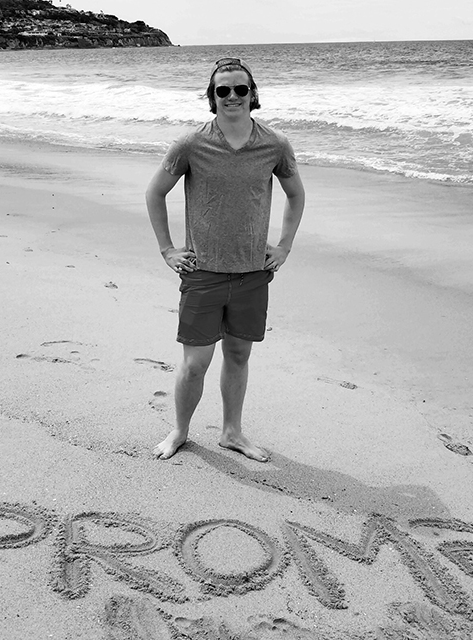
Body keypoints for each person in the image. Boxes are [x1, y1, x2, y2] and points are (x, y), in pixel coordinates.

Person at [145, 57, 306, 461]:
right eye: (223, 90)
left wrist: (284, 246)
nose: (232, 96)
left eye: (240, 89)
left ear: (253, 96)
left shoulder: (274, 144)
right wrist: (168, 249)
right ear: (212, 98)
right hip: (203, 271)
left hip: (253, 271)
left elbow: (296, 194)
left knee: (238, 355)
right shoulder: (191, 144)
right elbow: (154, 192)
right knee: (196, 361)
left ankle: (232, 432)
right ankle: (180, 431)